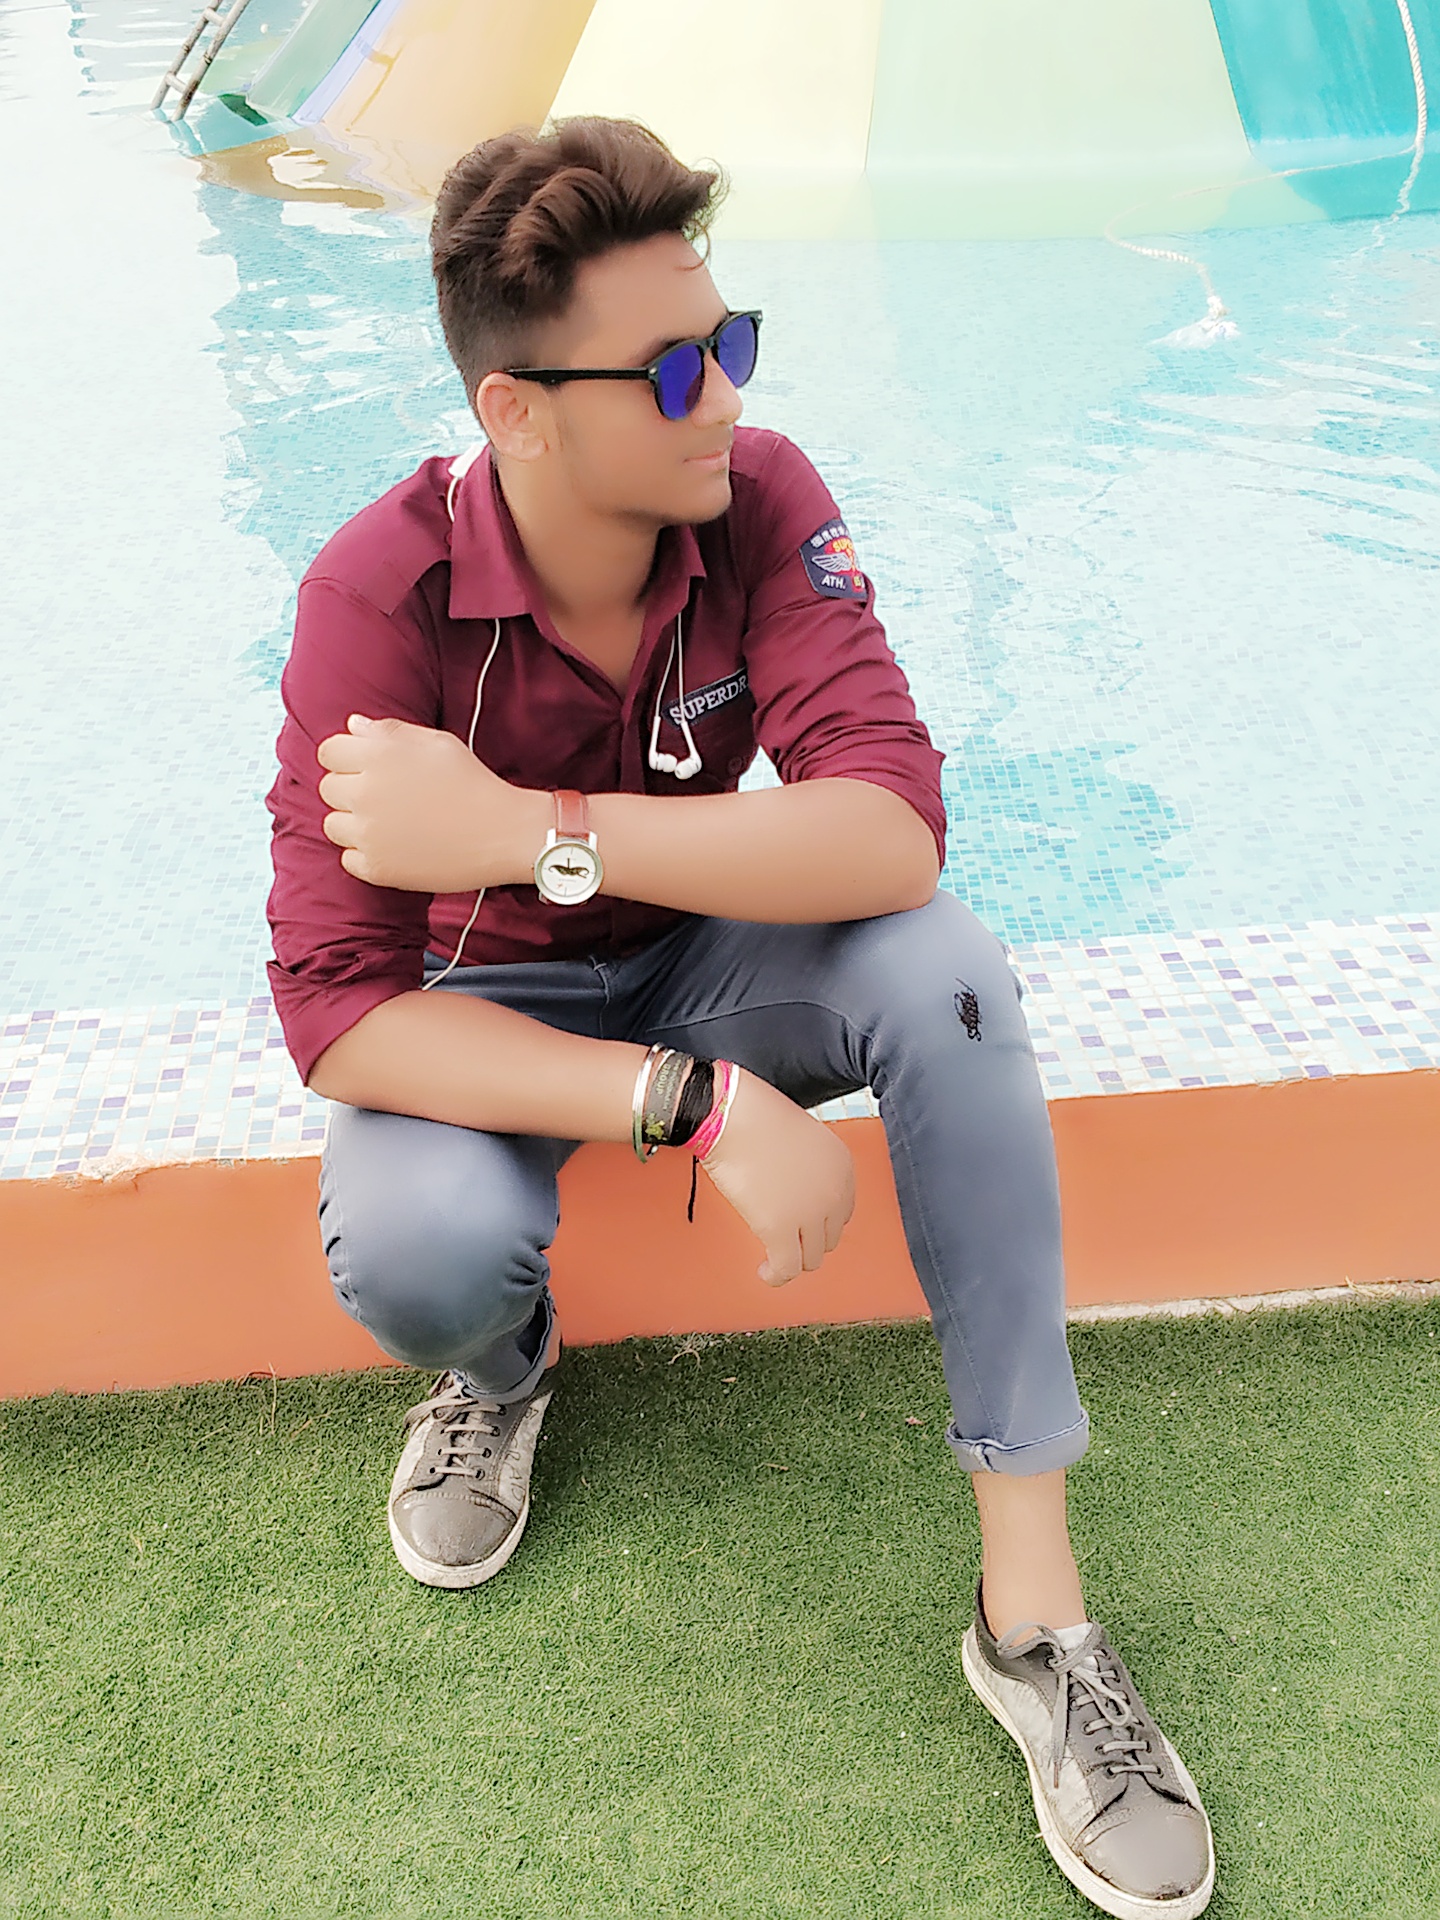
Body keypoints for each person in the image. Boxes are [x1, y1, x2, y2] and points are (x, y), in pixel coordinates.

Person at [263, 117, 1214, 1920]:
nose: (728, 395)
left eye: (734, 340)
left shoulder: (760, 494)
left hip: (711, 949)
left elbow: (891, 827)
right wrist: (690, 1102)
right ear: (517, 413)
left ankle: (1034, 1617)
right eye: (676, 369)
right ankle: (505, 1370)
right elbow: (337, 1013)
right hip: (494, 1008)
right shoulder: (373, 597)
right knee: (417, 1256)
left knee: (947, 970)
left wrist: (533, 830)